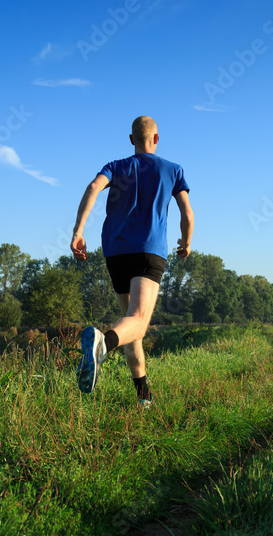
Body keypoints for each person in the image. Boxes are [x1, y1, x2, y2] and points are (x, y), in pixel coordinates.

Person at [71, 116, 193, 406]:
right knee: (137, 323)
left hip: (114, 252)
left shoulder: (115, 166)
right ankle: (103, 344)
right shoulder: (173, 170)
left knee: (131, 325)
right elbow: (187, 214)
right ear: (157, 138)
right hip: (148, 250)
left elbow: (91, 188)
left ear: (131, 139)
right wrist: (186, 243)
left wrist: (78, 231)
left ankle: (144, 397)